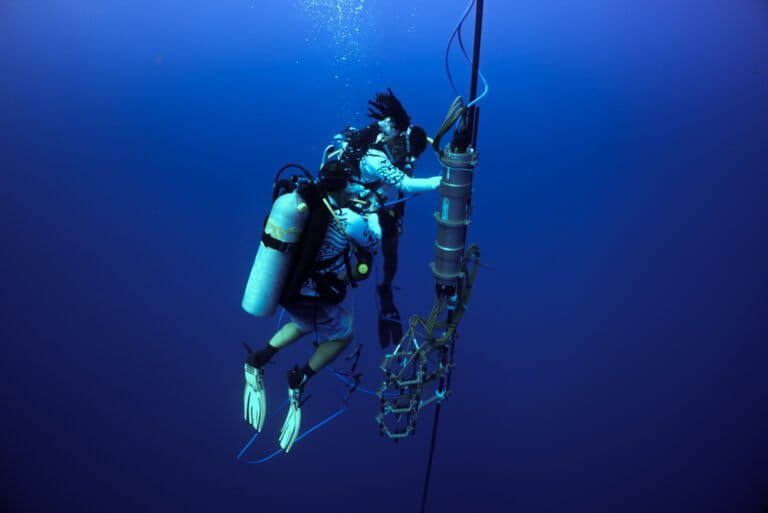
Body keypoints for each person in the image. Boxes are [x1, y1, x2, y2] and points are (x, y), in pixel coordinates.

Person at [242, 161, 381, 453]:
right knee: (343, 334)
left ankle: (259, 358)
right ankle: (299, 379)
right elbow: (374, 242)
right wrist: (375, 216)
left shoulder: (309, 204)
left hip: (287, 288)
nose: (354, 188)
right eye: (350, 184)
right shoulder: (348, 219)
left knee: (303, 323)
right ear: (342, 186)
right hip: (310, 294)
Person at [335, 89, 442, 348]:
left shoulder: (399, 138)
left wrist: (406, 165)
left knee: (391, 247)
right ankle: (341, 278)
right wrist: (444, 180)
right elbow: (405, 184)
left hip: (382, 197)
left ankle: (385, 287)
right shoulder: (377, 148)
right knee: (372, 252)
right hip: (363, 201)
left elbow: (402, 178)